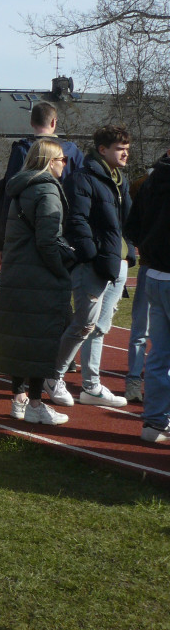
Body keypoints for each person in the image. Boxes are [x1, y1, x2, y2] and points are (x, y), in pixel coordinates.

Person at [0, 139, 75, 426]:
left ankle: (19, 399)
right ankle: (35, 403)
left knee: (19, 340)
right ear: (50, 161)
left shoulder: (20, 188)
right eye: (63, 159)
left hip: (17, 274)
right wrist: (62, 267)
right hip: (39, 277)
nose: (66, 164)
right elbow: (48, 240)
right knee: (39, 341)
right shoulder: (47, 190)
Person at [44, 125, 133, 409]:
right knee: (83, 323)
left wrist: (128, 251)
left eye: (127, 149)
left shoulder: (121, 180)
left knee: (100, 327)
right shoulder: (82, 179)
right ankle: (52, 376)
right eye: (120, 149)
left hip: (117, 264)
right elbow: (76, 221)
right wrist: (91, 254)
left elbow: (127, 221)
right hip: (94, 264)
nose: (125, 154)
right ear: (103, 149)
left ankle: (91, 386)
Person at [0, 101, 85, 264]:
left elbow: (9, 196)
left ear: (32, 123)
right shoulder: (72, 151)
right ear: (54, 122)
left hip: (25, 232)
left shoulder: (22, 150)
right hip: (65, 230)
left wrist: (0, 241)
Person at [125, 151, 170, 443]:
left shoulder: (151, 181)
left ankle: (154, 423)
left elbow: (132, 228)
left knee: (159, 354)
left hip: (154, 273)